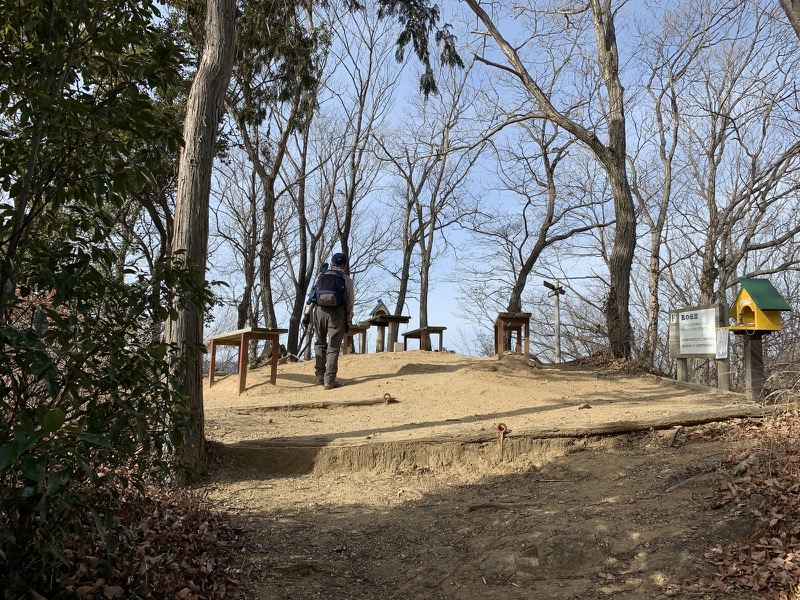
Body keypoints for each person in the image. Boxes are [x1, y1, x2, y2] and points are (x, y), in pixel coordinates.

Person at [311, 253, 354, 389]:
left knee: (319, 343)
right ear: (344, 265)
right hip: (336, 313)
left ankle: (319, 376)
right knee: (333, 347)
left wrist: (307, 314)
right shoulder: (346, 279)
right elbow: (350, 303)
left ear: (332, 262)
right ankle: (329, 380)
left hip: (319, 311)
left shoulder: (321, 275)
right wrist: (348, 320)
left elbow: (312, 295)